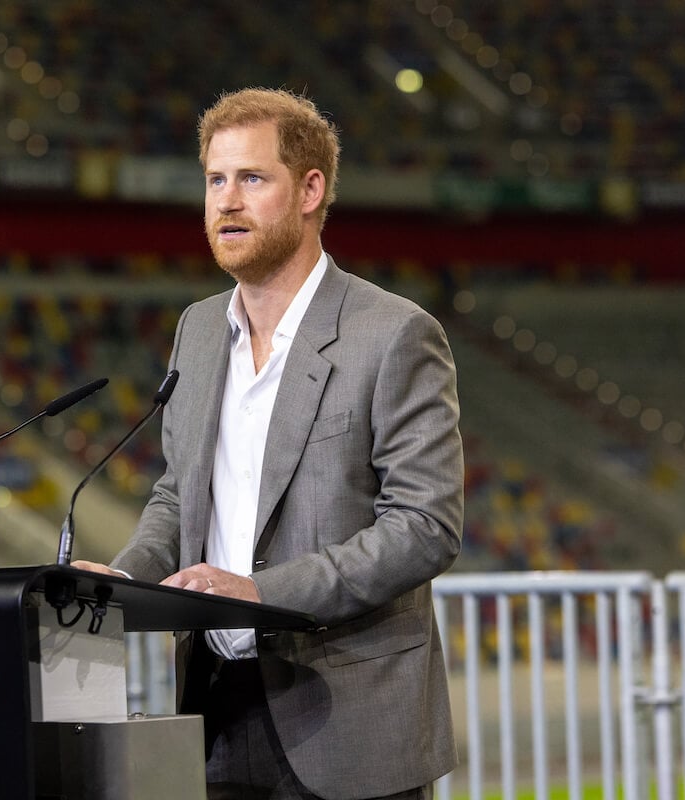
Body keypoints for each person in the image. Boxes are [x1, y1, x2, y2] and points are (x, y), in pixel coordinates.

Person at [73, 87, 464, 800]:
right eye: (216, 180)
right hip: (215, 710)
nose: (227, 201)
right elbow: (178, 493)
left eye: (252, 179)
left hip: (349, 719)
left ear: (311, 189)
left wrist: (259, 595)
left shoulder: (394, 334)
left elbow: (425, 527)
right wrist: (126, 582)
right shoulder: (196, 330)